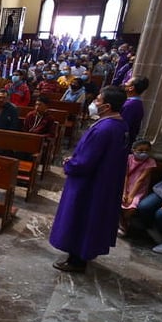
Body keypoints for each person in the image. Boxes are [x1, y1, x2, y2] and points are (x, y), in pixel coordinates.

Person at [49, 86, 129, 272]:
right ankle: (84, 252)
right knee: (92, 219)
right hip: (104, 181)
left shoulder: (104, 129)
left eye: (99, 100)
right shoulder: (120, 125)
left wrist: (70, 163)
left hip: (89, 184)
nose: (95, 103)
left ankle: (76, 260)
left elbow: (86, 162)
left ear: (107, 106)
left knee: (80, 217)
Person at [118, 139, 157, 236]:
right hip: (125, 186)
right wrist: (124, 192)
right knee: (118, 202)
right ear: (133, 150)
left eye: (147, 151)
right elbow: (125, 176)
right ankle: (120, 223)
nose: (144, 153)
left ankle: (124, 223)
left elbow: (141, 180)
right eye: (140, 150)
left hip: (138, 190)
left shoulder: (150, 162)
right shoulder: (128, 158)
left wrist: (131, 195)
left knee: (131, 207)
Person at [121, 76, 149, 149]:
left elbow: (123, 127)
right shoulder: (133, 103)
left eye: (127, 82)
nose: (125, 83)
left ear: (131, 88)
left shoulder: (130, 105)